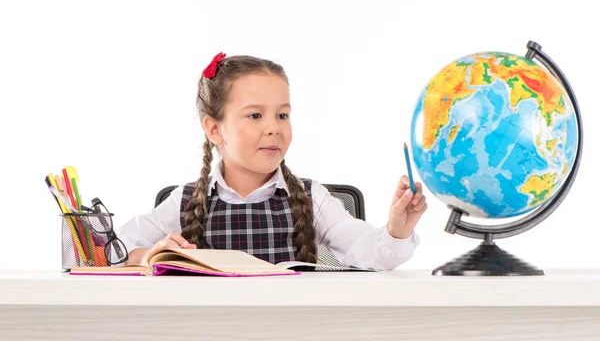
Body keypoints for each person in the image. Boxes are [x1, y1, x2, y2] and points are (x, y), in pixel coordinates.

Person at [116, 53, 427, 270]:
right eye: (255, 115)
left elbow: (370, 252)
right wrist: (150, 256)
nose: (274, 128)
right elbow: (106, 252)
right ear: (215, 129)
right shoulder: (183, 203)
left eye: (282, 115)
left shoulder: (311, 198)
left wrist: (396, 230)